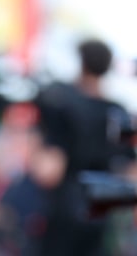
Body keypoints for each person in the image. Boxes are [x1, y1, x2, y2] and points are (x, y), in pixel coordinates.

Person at [33, 37, 136, 256]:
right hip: (102, 208)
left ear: (82, 64)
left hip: (66, 208)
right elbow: (131, 170)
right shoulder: (117, 112)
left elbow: (50, 170)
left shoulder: (63, 103)